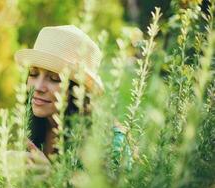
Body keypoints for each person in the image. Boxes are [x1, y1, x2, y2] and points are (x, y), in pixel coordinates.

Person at [14, 25, 130, 179]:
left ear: (78, 90)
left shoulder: (112, 143)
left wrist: (52, 179)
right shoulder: (32, 126)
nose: (38, 87)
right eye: (34, 74)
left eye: (55, 78)